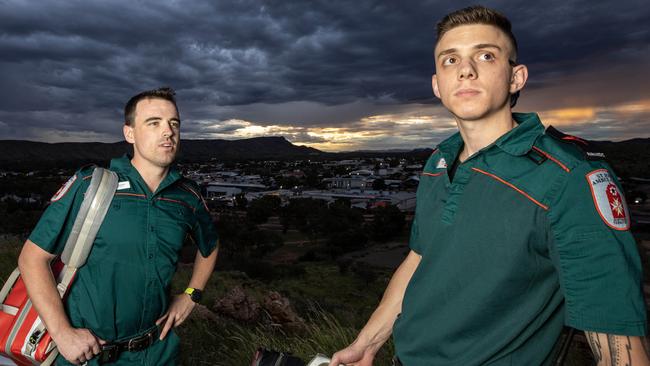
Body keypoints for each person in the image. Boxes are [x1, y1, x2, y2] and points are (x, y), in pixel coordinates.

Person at [330, 6, 648, 366]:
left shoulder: (569, 177)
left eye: (485, 55)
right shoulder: (439, 161)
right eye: (450, 60)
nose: (466, 70)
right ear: (437, 84)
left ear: (516, 77)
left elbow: (618, 342)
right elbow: (421, 257)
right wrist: (368, 344)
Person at [18, 87, 219, 365]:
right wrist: (62, 333)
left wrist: (191, 294)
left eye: (174, 123)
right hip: (88, 355)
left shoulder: (188, 196)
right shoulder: (91, 185)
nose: (168, 132)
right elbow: (32, 258)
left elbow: (210, 245)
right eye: (154, 123)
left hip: (157, 352)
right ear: (130, 133)